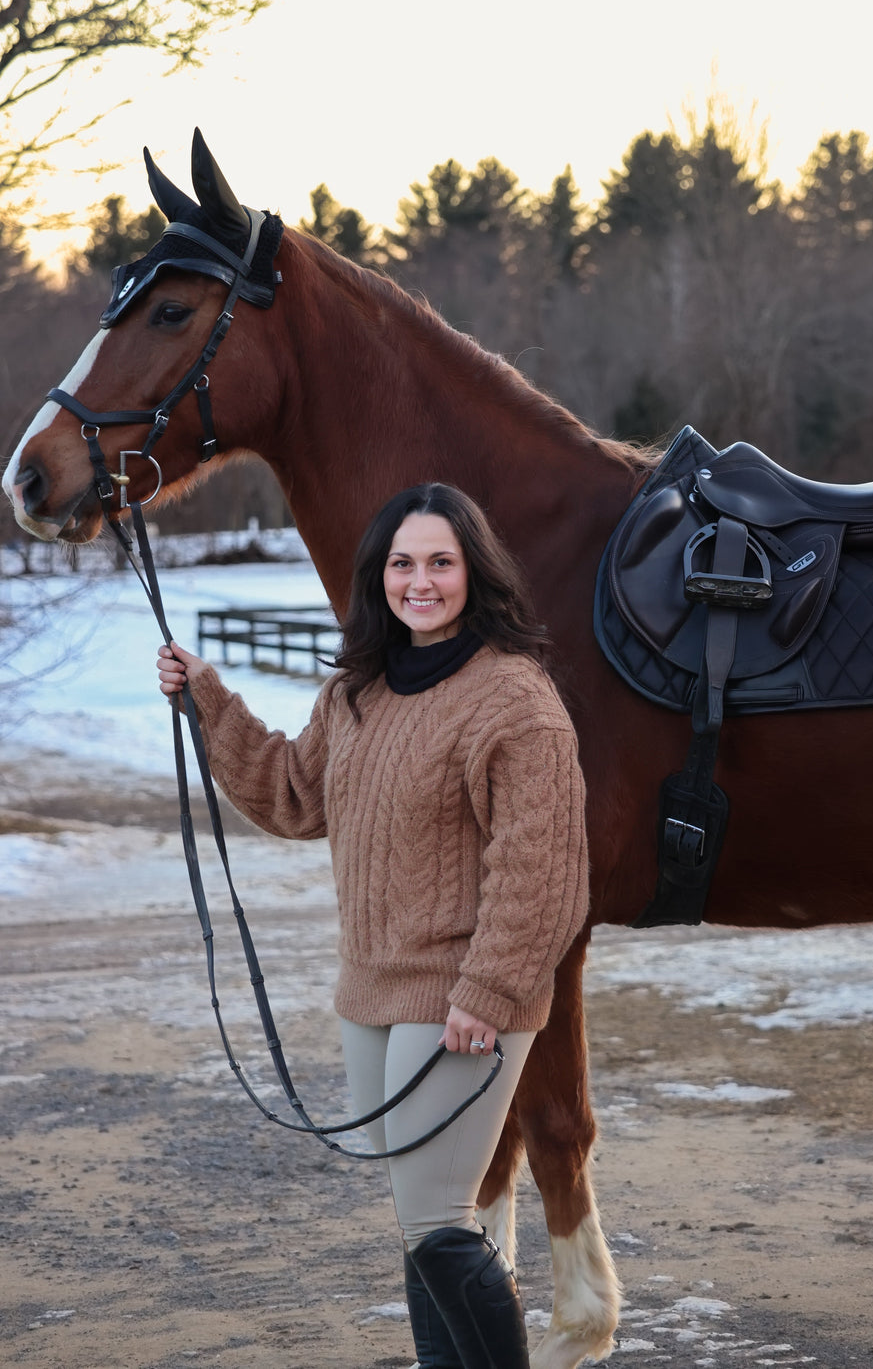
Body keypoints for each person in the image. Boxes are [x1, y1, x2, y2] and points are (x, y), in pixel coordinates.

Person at [156, 483, 590, 1369]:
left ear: (475, 572)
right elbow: (291, 791)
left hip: (465, 1001)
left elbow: (542, 869)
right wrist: (208, 699)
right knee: (420, 1226)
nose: (419, 580)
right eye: (402, 562)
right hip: (371, 993)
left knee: (436, 1224)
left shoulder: (516, 700)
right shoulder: (358, 693)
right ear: (378, 576)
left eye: (440, 561)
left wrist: (491, 990)